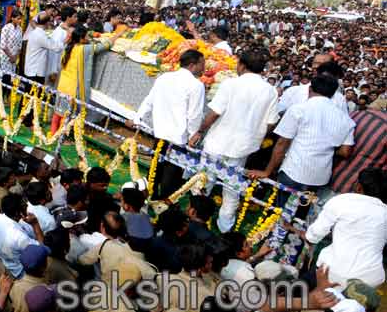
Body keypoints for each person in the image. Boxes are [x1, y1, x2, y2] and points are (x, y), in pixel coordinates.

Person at [189, 51, 280, 232]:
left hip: (217, 143)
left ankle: (196, 217)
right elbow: (271, 122)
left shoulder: (231, 84)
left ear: (242, 66)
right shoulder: (270, 91)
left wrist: (200, 131)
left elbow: (214, 113)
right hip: (242, 148)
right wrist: (255, 134)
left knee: (203, 182)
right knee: (232, 190)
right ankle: (224, 228)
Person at [247, 75, 355, 190]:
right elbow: (345, 152)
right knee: (303, 207)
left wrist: (268, 171)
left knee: (281, 206)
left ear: (309, 89)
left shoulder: (298, 110)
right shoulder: (346, 120)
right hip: (320, 177)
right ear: (333, 94)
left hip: (293, 171)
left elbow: (282, 144)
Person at [132, 50, 206, 198]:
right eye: (202, 65)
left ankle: (149, 198)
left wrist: (137, 118)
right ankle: (164, 205)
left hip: (160, 133)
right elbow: (194, 115)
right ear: (192, 65)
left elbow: (149, 100)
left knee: (155, 169)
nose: (204, 68)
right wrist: (193, 136)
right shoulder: (196, 85)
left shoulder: (164, 77)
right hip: (178, 139)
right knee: (171, 177)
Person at [302, 167, 387, 287]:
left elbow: (313, 236)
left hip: (331, 272)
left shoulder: (342, 201)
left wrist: (307, 237)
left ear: (359, 187)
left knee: (297, 296)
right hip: (369, 280)